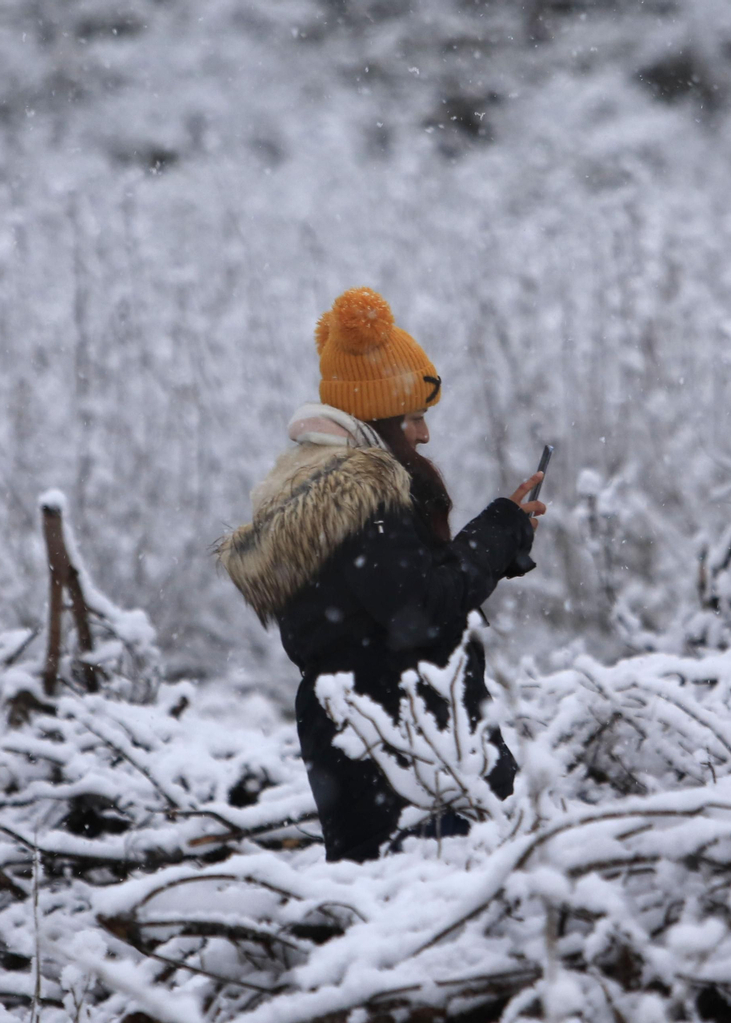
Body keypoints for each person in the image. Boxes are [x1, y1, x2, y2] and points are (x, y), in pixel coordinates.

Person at [217, 287, 546, 861]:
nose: (424, 434)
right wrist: (497, 534)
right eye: (414, 417)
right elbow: (421, 611)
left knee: (387, 915)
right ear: (377, 415)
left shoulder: (324, 490)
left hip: (369, 742)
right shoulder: (361, 497)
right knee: (442, 913)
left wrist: (503, 537)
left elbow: (397, 600)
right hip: (407, 743)